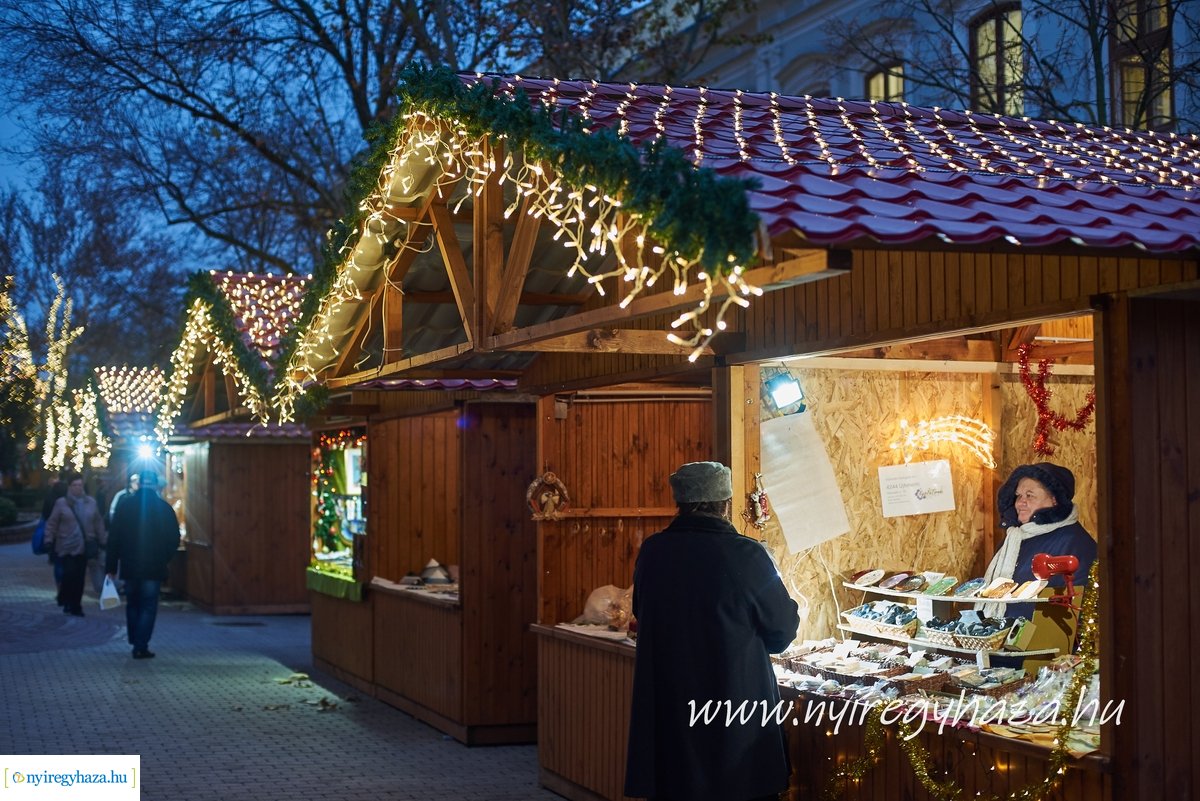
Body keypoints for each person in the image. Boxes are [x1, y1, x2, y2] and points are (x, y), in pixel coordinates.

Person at [625, 461, 799, 801]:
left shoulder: (653, 551)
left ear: (681, 502)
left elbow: (640, 613)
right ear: (726, 504)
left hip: (670, 712)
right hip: (734, 716)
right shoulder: (746, 554)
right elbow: (781, 632)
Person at [981, 462, 1097, 620]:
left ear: (1054, 500)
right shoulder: (1012, 539)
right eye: (1018, 496)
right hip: (1001, 639)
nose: (1020, 503)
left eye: (1029, 496)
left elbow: (1083, 603)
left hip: (1047, 640)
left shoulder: (1075, 542)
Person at [106, 470, 181, 659]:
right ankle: (141, 644)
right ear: (156, 485)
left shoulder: (125, 506)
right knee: (148, 605)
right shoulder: (164, 508)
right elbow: (174, 538)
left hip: (130, 565)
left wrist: (111, 567)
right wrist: (164, 558)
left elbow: (114, 538)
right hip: (153, 567)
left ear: (138, 484)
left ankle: (134, 639)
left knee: (132, 603)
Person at [43, 472, 105, 617]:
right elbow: (52, 523)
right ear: (69, 487)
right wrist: (48, 540)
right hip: (66, 546)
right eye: (74, 485)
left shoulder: (91, 502)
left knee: (79, 578)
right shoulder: (61, 503)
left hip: (84, 546)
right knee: (69, 574)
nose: (78, 488)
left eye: (80, 485)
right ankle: (66, 599)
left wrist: (103, 540)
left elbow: (98, 523)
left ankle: (76, 605)